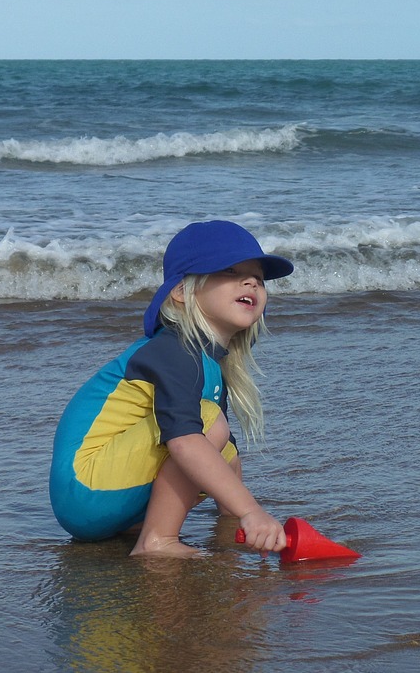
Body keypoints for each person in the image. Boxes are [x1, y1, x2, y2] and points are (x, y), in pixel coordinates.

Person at [49, 220, 293, 557]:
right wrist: (253, 511)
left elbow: (218, 452)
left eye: (259, 278)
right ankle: (157, 541)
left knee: (225, 449)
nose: (251, 281)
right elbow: (184, 441)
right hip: (85, 489)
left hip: (107, 502)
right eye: (231, 270)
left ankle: (223, 525)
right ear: (181, 292)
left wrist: (243, 520)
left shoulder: (208, 362)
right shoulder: (175, 350)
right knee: (204, 426)